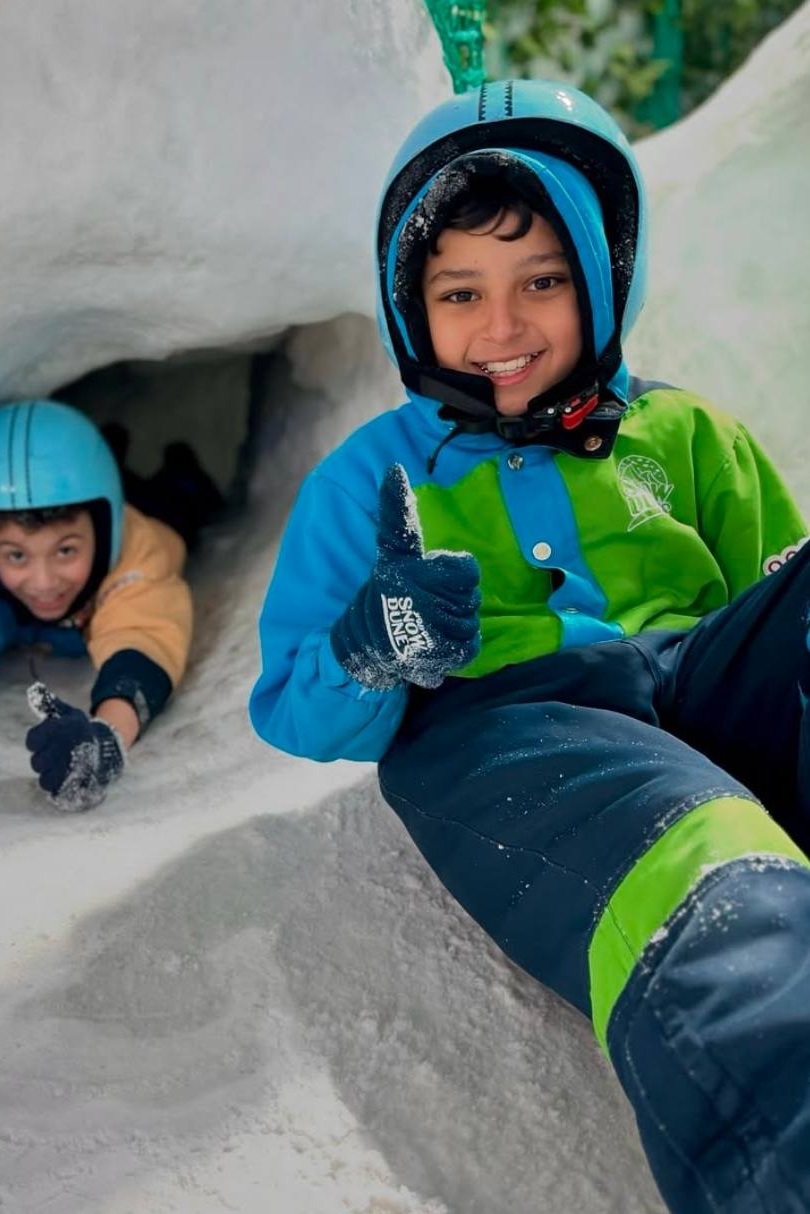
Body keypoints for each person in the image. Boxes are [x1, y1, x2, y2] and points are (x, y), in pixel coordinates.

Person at [250, 79, 810, 1213]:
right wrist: (377, 646)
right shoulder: (369, 476)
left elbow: (772, 592)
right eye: (459, 292)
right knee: (706, 859)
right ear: (411, 308)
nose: (500, 327)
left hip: (691, 666)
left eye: (540, 281)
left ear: (601, 281)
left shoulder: (686, 431)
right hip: (516, 722)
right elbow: (291, 706)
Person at [0, 400, 195, 811]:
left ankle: (175, 468)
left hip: (160, 513)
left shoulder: (136, 555)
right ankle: (111, 451)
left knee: (183, 499)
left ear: (108, 533)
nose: (44, 582)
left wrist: (106, 737)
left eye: (66, 550)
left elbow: (144, 639)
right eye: (16, 555)